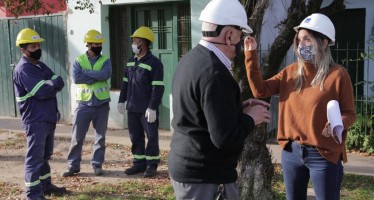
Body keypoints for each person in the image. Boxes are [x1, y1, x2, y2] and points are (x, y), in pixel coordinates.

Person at [245, 13, 356, 200]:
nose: (300, 44)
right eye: (299, 39)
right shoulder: (290, 72)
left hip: (323, 154)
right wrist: (250, 55)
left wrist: (337, 124)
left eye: (307, 39)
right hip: (291, 152)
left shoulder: (338, 75)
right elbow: (260, 90)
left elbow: (349, 114)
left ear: (324, 42)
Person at [168, 0, 271, 199]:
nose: (241, 43)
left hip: (189, 168)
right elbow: (225, 138)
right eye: (241, 35)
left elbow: (201, 111)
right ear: (230, 35)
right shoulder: (215, 73)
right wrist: (251, 119)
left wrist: (236, 108)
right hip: (206, 178)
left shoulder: (191, 59)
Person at [13, 28, 67, 200]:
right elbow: (42, 92)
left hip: (47, 117)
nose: (37, 49)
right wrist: (50, 83)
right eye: (33, 46)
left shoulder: (39, 65)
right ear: (23, 49)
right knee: (34, 159)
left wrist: (50, 83)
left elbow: (59, 80)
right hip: (35, 119)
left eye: (38, 45)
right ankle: (33, 194)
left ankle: (46, 186)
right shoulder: (24, 69)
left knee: (44, 156)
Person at [62, 29, 112, 177]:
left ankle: (97, 165)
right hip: (83, 104)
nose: (99, 46)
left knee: (100, 137)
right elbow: (77, 79)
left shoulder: (105, 60)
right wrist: (96, 77)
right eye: (96, 43)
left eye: (100, 43)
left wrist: (87, 73)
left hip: (102, 104)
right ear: (89, 44)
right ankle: (73, 166)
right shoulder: (79, 61)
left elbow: (105, 75)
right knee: (77, 137)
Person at [118, 26, 164, 178]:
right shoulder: (131, 61)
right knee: (135, 136)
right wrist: (121, 100)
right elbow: (125, 82)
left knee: (151, 137)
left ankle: (151, 165)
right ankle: (139, 164)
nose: (133, 43)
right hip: (132, 107)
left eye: (135, 41)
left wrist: (152, 107)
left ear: (143, 43)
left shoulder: (155, 63)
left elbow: (157, 88)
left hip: (146, 109)